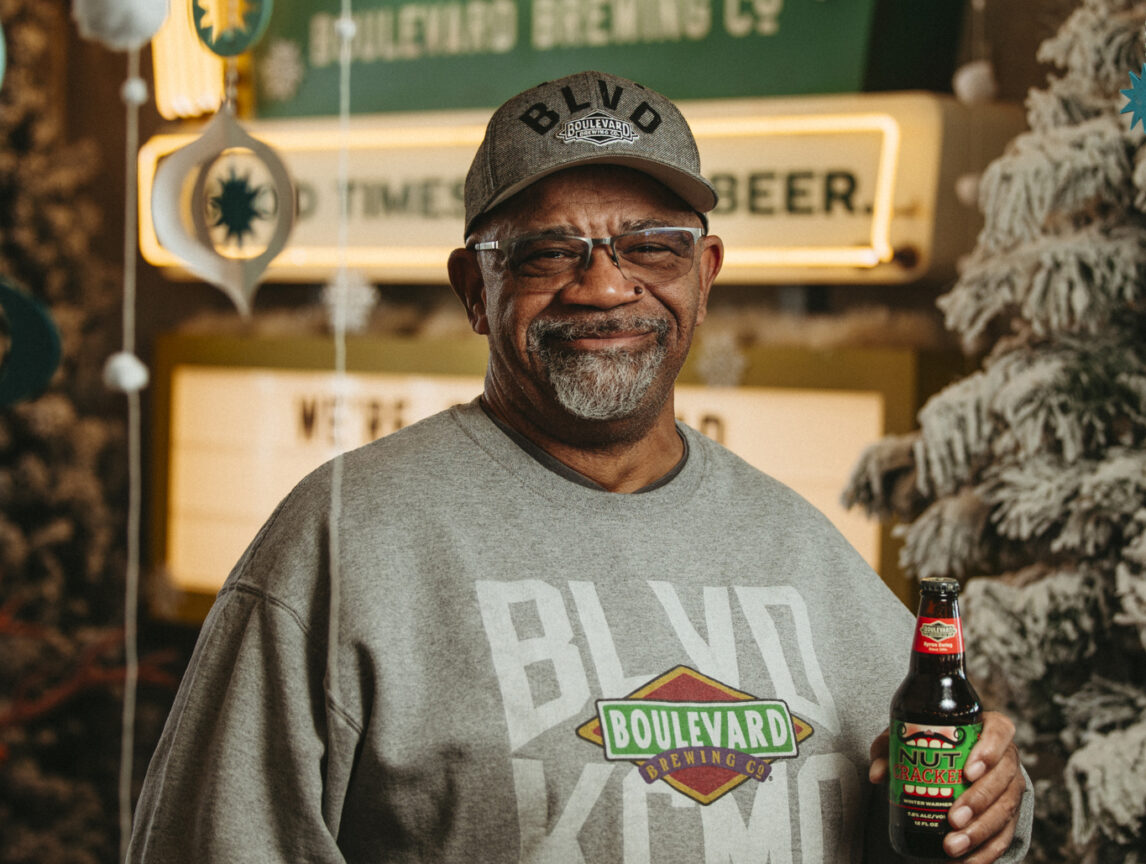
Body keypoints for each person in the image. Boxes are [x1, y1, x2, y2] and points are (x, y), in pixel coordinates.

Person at [128, 70, 1032, 863]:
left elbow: (935, 801)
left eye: (652, 246)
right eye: (548, 252)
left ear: (706, 274)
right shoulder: (345, 538)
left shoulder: (800, 548)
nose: (604, 287)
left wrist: (992, 803)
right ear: (474, 290)